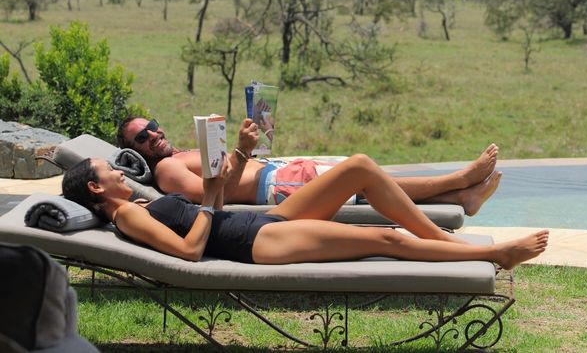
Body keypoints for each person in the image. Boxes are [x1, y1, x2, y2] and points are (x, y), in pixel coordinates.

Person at [61, 156, 549, 269]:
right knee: (387, 239)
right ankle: (493, 256)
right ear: (95, 186)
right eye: (114, 172)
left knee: (359, 168)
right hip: (256, 243)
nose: (124, 173)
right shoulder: (126, 216)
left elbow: (207, 206)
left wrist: (235, 159)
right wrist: (211, 200)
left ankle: (449, 233)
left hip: (258, 222)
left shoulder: (138, 203)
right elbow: (189, 252)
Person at [117, 116, 502, 215]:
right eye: (141, 138)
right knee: (367, 181)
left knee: (373, 180)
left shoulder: (180, 152)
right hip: (277, 187)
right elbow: (211, 198)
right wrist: (241, 152)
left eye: (151, 127)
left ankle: (461, 196)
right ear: (136, 151)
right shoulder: (166, 171)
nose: (153, 136)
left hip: (279, 170)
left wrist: (256, 140)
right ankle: (459, 181)